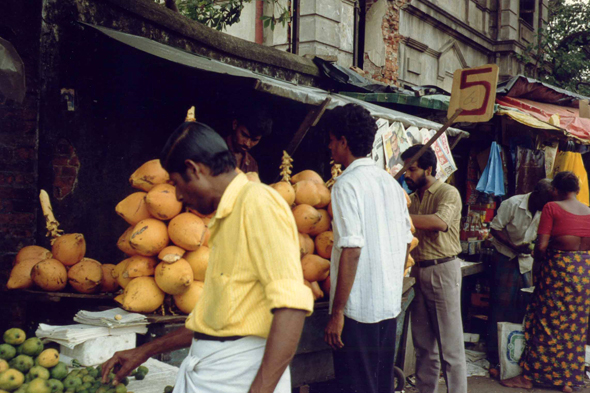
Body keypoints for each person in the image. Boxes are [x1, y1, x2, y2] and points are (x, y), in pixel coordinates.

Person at [101, 121, 314, 393]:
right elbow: (211, 322)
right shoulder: (224, 219)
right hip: (214, 372)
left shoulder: (257, 202)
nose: (177, 195)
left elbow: (291, 307)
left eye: (177, 184)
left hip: (241, 376)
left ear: (194, 169)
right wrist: (144, 351)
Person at [323, 104, 413, 393]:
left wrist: (337, 313)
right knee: (379, 386)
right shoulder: (390, 184)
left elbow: (351, 249)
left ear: (343, 142)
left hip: (357, 311)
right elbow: (404, 244)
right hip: (387, 307)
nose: (329, 146)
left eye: (331, 140)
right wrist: (389, 288)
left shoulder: (346, 185)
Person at [501, 171, 590, 393]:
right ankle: (567, 380)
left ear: (556, 190)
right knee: (574, 326)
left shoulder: (552, 208)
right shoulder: (589, 212)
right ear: (576, 190)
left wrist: (538, 257)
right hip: (584, 273)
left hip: (558, 271)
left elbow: (540, 247)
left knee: (544, 321)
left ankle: (530, 378)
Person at [401, 144, 468, 393]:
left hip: (443, 270)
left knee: (450, 347)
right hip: (417, 271)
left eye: (412, 169)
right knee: (423, 345)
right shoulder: (413, 199)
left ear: (428, 169)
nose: (407, 174)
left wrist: (399, 217)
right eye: (406, 169)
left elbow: (439, 223)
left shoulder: (448, 193)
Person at [486, 179, 553, 369]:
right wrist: (514, 246)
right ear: (536, 193)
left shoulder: (544, 210)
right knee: (500, 306)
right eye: (545, 199)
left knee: (521, 306)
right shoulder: (513, 204)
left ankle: (512, 353)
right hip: (505, 257)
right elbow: (495, 228)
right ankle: (493, 354)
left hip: (526, 262)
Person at [225, 106, 272, 173]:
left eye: (254, 140)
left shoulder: (252, 165)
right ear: (235, 125)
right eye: (244, 135)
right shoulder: (213, 148)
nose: (247, 143)